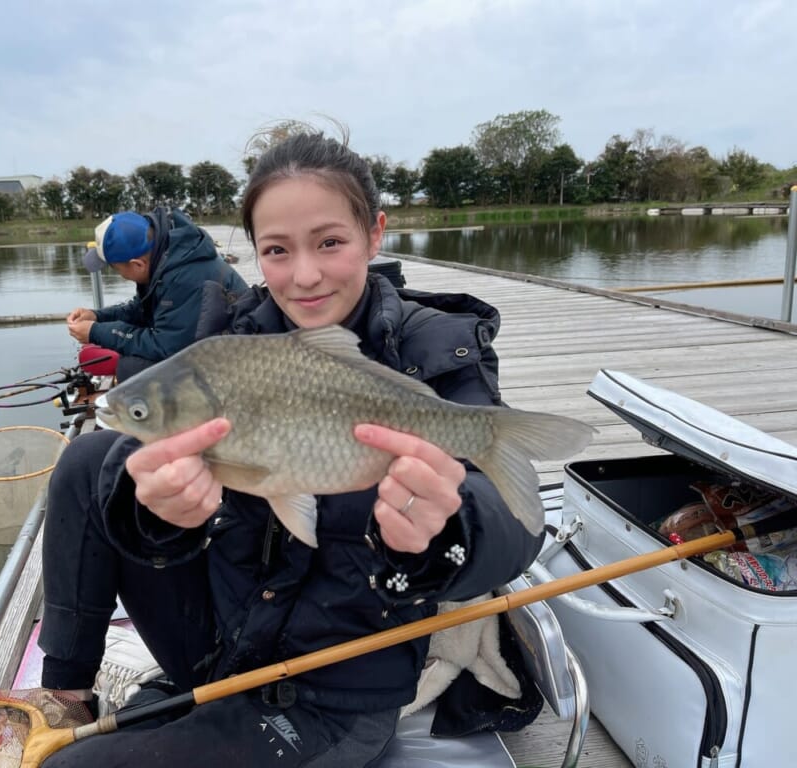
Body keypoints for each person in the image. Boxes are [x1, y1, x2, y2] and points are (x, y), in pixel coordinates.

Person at [39, 130, 543, 768]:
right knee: (92, 460)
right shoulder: (230, 341)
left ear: (375, 233)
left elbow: (516, 528)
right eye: (277, 250)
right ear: (256, 252)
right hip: (219, 647)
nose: (304, 275)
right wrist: (155, 515)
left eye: (330, 242)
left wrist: (448, 530)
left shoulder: (434, 352)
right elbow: (137, 488)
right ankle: (65, 691)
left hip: (335, 693)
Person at [67, 206, 248, 381]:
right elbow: (141, 309)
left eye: (115, 269)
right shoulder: (168, 259)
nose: (120, 276)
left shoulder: (184, 277)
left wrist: (96, 332)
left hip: (235, 364)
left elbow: (166, 346)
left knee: (131, 368)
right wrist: (97, 317)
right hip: (205, 348)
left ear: (138, 264)